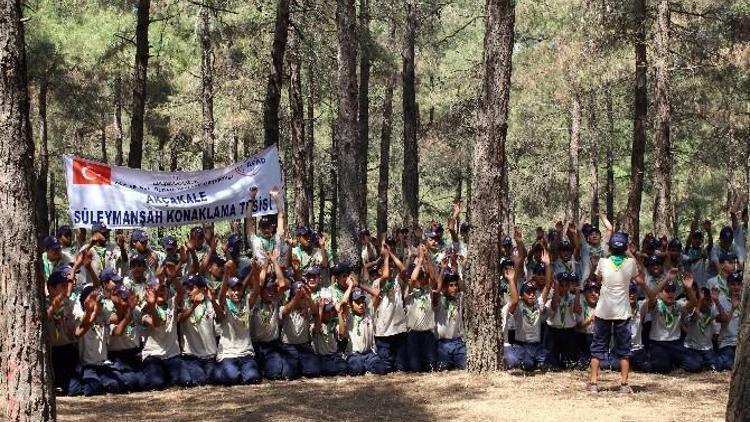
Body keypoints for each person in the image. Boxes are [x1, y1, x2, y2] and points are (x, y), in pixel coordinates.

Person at [587, 232, 642, 393]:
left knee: (597, 347)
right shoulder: (631, 263)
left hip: (603, 311)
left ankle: (594, 383)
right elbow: (637, 277)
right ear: (625, 248)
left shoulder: (603, 262)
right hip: (622, 312)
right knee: (624, 350)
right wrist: (630, 253)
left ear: (610, 247)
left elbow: (597, 280)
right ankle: (624, 385)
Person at [68, 285, 123, 396]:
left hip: (103, 364)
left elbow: (118, 318)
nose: (96, 300)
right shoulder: (80, 315)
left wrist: (116, 303)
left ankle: (103, 382)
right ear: (84, 301)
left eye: (97, 297)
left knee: (115, 385)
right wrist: (91, 312)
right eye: (92, 297)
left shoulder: (103, 314)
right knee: (91, 388)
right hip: (87, 365)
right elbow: (81, 329)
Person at [212, 264, 262, 385]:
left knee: (253, 378)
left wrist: (255, 273)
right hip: (228, 353)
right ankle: (219, 371)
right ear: (228, 291)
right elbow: (221, 296)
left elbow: (256, 291)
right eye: (233, 289)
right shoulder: (224, 303)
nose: (236, 292)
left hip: (246, 352)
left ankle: (242, 371)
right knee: (232, 378)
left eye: (239, 289)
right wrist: (226, 275)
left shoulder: (246, 303)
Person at [503, 252, 552, 371]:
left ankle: (539, 362)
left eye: (533, 292)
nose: (531, 295)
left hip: (536, 345)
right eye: (528, 292)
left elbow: (548, 285)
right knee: (528, 365)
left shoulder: (538, 303)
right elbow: (514, 300)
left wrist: (548, 265)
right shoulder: (517, 306)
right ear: (522, 295)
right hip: (522, 345)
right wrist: (511, 279)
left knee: (550, 363)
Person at [643, 270, 698, 374]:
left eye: (673, 290)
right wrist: (666, 279)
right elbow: (651, 295)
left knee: (694, 365)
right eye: (667, 290)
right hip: (658, 343)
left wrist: (689, 288)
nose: (670, 293)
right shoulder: (656, 304)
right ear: (660, 293)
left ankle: (673, 363)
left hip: (675, 343)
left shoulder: (678, 305)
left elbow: (694, 303)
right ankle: (669, 363)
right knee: (661, 368)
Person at [138, 273, 186, 390]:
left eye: (163, 289)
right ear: (150, 290)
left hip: (172, 355)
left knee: (184, 381)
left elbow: (181, 292)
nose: (161, 291)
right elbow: (156, 324)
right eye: (157, 289)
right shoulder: (144, 308)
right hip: (153, 355)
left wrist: (173, 276)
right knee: (156, 383)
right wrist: (152, 306)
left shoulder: (172, 303)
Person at [250, 251, 291, 380]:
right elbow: (260, 283)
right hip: (255, 345)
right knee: (254, 376)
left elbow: (282, 284)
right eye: (267, 290)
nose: (270, 292)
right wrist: (266, 262)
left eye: (272, 289)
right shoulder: (255, 301)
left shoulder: (275, 301)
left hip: (271, 346)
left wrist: (274, 261)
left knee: (275, 374)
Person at [176, 274, 223, 386]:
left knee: (218, 379)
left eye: (191, 288)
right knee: (200, 380)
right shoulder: (183, 303)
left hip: (209, 356)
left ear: (202, 289)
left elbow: (221, 318)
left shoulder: (211, 303)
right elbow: (180, 319)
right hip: (191, 356)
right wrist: (193, 306)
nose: (188, 291)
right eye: (186, 288)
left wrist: (213, 301)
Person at [371, 243, 409, 372]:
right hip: (383, 332)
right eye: (387, 267)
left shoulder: (398, 280)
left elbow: (403, 269)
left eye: (392, 267)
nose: (391, 269)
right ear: (379, 271)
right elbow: (386, 276)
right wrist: (386, 257)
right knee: (384, 368)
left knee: (401, 367)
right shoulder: (377, 283)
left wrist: (390, 253)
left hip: (398, 329)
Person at [337, 285, 388, 375]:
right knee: (356, 368)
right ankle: (365, 369)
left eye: (362, 301)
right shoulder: (348, 317)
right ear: (351, 304)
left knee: (382, 368)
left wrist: (359, 284)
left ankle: (368, 369)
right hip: (354, 355)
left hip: (369, 354)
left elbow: (377, 294)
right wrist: (350, 286)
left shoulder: (369, 314)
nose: (361, 305)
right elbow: (343, 303)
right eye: (357, 302)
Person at [404, 245, 439, 372]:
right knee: (415, 368)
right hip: (413, 335)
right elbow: (413, 279)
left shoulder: (428, 290)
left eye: (422, 276)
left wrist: (426, 257)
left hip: (428, 335)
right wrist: (419, 260)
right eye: (420, 276)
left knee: (431, 367)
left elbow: (433, 277)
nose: (421, 279)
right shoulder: (408, 292)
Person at [280, 275, 321, 379]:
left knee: (313, 372)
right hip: (289, 346)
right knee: (288, 375)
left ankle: (301, 365)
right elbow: (284, 312)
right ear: (293, 297)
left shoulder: (307, 308)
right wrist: (297, 297)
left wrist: (308, 297)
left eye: (303, 297)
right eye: (299, 297)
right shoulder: (285, 307)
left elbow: (316, 314)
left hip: (304, 346)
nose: (302, 300)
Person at [46, 267, 79, 395]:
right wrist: (54, 305)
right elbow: (42, 319)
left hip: (68, 349)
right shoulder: (42, 303)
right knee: (71, 388)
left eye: (67, 285)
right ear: (51, 288)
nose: (66, 289)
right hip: (51, 352)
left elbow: (78, 319)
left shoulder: (70, 304)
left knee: (78, 385)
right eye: (62, 286)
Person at [107, 284, 143, 392]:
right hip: (117, 356)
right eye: (121, 296)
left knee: (145, 382)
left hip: (133, 354)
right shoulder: (108, 311)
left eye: (126, 296)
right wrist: (127, 315)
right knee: (129, 381)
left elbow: (148, 321)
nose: (124, 299)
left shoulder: (136, 310)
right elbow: (118, 332)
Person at [682, 285, 725, 372]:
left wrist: (716, 301)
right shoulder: (691, 310)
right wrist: (700, 302)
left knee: (717, 368)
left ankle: (705, 363)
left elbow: (723, 319)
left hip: (707, 349)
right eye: (703, 299)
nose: (705, 302)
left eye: (708, 300)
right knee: (694, 367)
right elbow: (694, 318)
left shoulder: (711, 310)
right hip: (692, 348)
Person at [610, 282, 650, 372]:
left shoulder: (640, 306)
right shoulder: (615, 308)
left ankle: (631, 364)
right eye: (628, 292)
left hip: (636, 348)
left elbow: (652, 299)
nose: (631, 295)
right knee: (613, 366)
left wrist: (643, 284)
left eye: (633, 292)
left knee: (647, 368)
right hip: (620, 348)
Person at [544, 271, 580, 369]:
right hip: (553, 331)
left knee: (568, 363)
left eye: (567, 285)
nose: (564, 288)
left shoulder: (572, 298)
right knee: (552, 363)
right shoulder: (551, 297)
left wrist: (577, 293)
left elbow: (577, 310)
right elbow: (554, 306)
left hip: (568, 332)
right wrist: (555, 288)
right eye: (561, 285)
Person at [434, 268, 466, 371]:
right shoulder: (439, 301)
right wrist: (442, 269)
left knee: (465, 366)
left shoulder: (459, 300)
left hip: (458, 343)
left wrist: (456, 268)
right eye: (451, 285)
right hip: (442, 344)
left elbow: (464, 288)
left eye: (456, 285)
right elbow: (437, 290)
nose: (454, 288)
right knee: (441, 368)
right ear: (445, 287)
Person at [246, 186, 285, 266]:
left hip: (276, 274)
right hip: (260, 274)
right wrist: (251, 200)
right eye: (263, 227)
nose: (266, 229)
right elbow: (249, 220)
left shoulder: (277, 239)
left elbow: (281, 216)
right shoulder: (255, 240)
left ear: (272, 227)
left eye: (268, 227)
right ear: (260, 228)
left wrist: (276, 198)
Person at [312, 300, 348, 376]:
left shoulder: (333, 323)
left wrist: (339, 313)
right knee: (330, 369)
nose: (330, 314)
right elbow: (316, 329)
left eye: (331, 311)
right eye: (327, 312)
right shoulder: (314, 323)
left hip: (334, 356)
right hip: (322, 357)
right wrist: (320, 310)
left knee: (345, 367)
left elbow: (341, 333)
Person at [716, 270, 742, 370]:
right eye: (733, 284)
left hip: (742, 342)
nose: (736, 287)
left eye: (739, 284)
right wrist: (733, 308)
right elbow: (723, 323)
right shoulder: (721, 300)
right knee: (728, 365)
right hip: (727, 342)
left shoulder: (746, 301)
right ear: (727, 285)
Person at [576, 279, 600, 370]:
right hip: (583, 338)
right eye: (590, 291)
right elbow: (578, 326)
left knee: (603, 365)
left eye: (596, 291)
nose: (593, 294)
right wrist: (591, 319)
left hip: (597, 338)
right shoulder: (580, 305)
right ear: (585, 293)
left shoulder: (601, 306)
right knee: (582, 365)